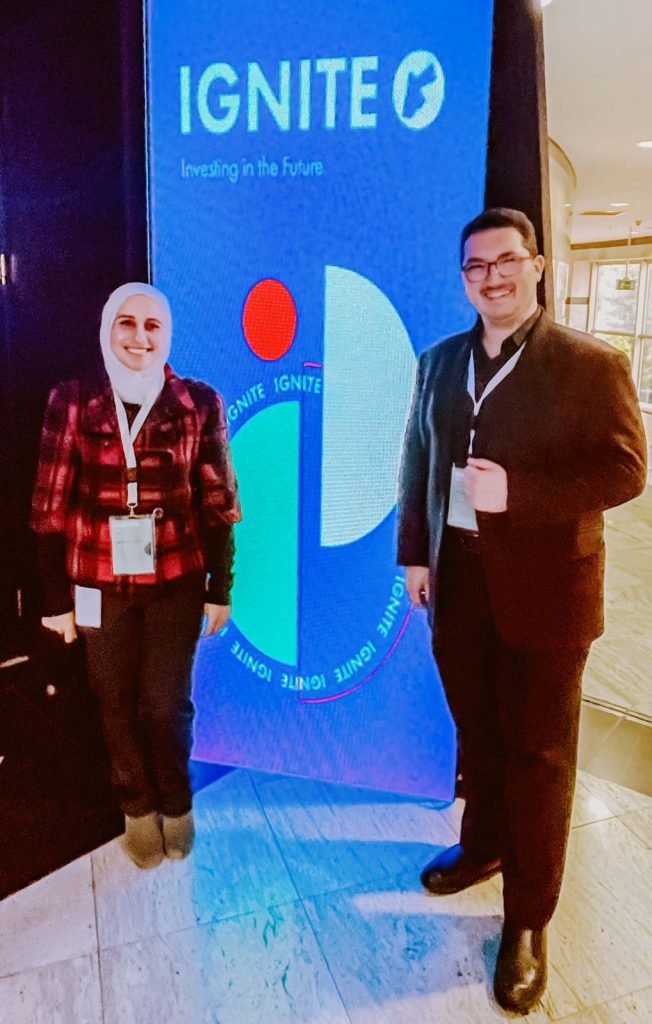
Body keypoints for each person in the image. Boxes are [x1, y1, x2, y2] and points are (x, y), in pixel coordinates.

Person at [397, 208, 647, 1013]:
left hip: (549, 593)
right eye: (476, 266)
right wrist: (414, 554)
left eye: (507, 260)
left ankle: (528, 920)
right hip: (458, 584)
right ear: (463, 279)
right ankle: (484, 848)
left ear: (537, 265)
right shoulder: (439, 362)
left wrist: (522, 493)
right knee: (480, 735)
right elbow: (419, 458)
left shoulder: (590, 364)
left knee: (540, 755)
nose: (492, 277)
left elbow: (627, 469)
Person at [31, 282, 241, 869]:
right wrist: (56, 602)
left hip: (176, 580)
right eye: (126, 323)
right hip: (97, 584)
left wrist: (220, 587)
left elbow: (220, 504)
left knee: (164, 706)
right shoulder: (72, 401)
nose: (139, 337)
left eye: (152, 326)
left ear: (167, 335)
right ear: (107, 329)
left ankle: (175, 799)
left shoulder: (199, 403)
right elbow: (47, 508)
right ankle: (136, 805)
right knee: (113, 700)